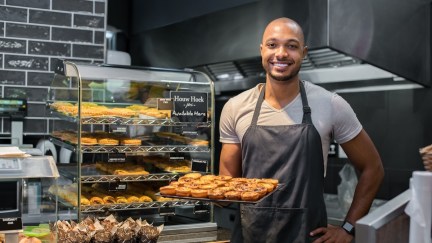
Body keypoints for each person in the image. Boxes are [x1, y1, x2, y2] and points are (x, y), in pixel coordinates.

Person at [218, 17, 384, 243]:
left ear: (304, 53)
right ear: (261, 50)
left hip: (308, 237)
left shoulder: (331, 104)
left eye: (292, 46)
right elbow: (225, 186)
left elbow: (373, 168)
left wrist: (347, 228)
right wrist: (202, 193)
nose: (281, 54)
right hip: (249, 236)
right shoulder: (235, 108)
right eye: (272, 44)